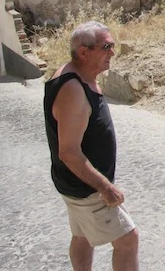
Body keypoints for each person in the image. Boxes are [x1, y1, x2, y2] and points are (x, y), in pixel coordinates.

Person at [44, 21, 139, 270]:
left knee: (82, 236)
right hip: (87, 189)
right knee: (128, 240)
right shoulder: (73, 90)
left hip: (73, 184)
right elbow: (68, 151)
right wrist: (105, 187)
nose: (112, 52)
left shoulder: (78, 75)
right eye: (106, 46)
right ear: (84, 52)